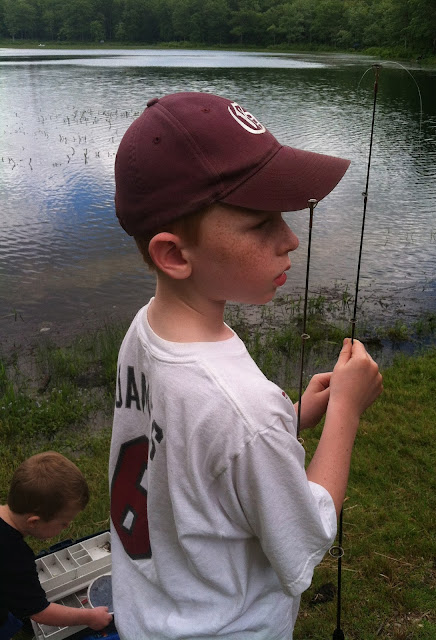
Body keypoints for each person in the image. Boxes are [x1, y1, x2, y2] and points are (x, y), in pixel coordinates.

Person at [109, 92, 383, 640]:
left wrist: (292, 416)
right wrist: (345, 413)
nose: (291, 239)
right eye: (261, 224)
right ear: (174, 254)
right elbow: (305, 537)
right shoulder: (244, 411)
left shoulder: (145, 329)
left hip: (149, 615)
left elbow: (193, 447)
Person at [0, 451, 113, 639]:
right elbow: (40, 612)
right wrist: (89, 617)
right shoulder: (15, 555)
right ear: (34, 522)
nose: (67, 527)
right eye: (63, 523)